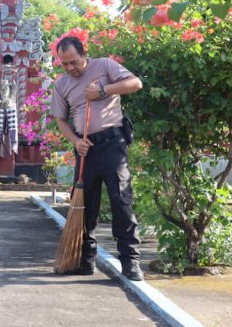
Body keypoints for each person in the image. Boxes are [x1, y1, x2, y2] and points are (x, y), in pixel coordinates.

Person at [50, 36, 144, 281]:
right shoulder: (62, 84)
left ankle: (130, 261)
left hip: (113, 144)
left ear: (84, 53)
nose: (70, 68)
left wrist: (103, 90)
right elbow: (61, 119)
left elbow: (135, 84)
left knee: (121, 201)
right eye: (64, 64)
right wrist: (76, 141)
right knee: (83, 205)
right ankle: (84, 260)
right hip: (85, 148)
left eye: (74, 62)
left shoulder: (104, 66)